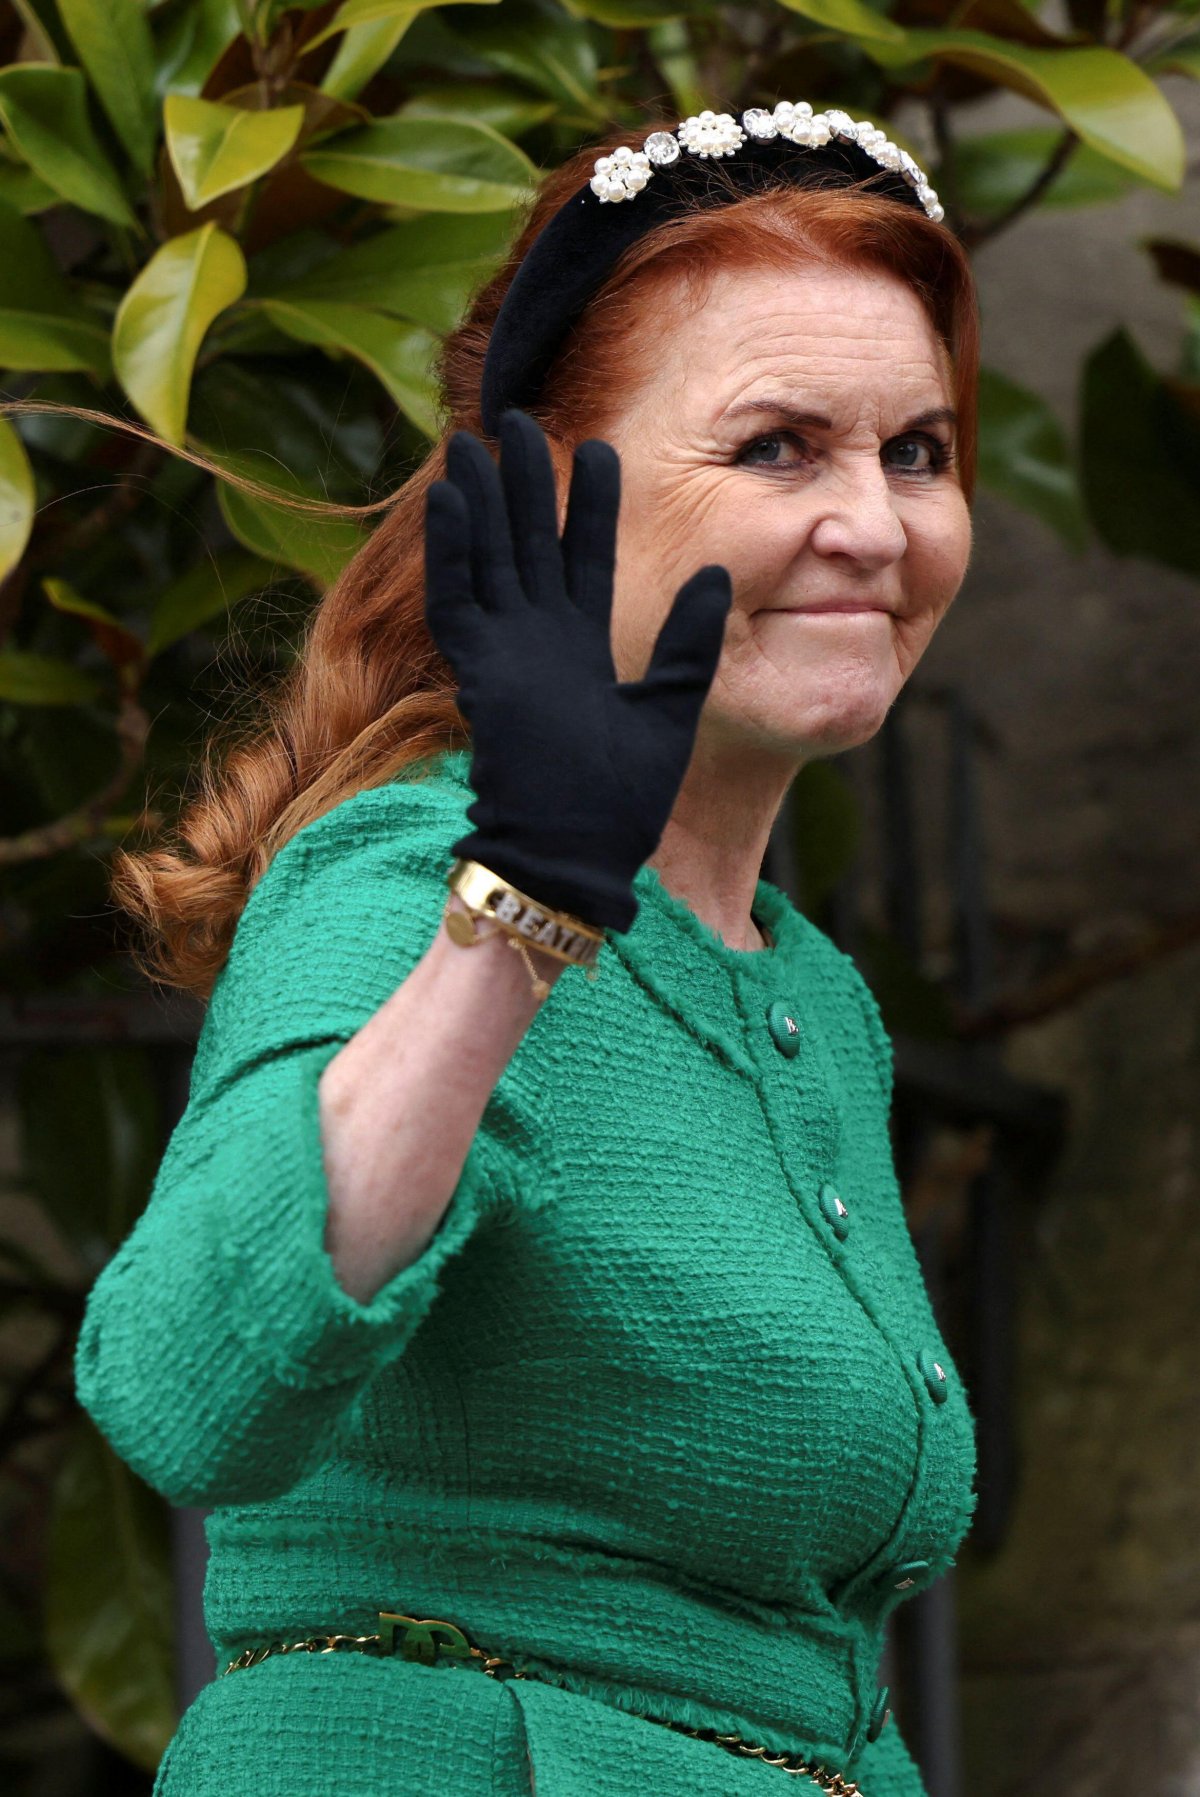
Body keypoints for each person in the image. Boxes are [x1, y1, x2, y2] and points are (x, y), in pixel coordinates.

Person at [75, 99, 980, 1797]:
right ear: (550, 493)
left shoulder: (816, 998)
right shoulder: (418, 875)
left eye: (917, 449)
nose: (876, 523)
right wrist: (519, 916)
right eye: (780, 444)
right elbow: (188, 1389)